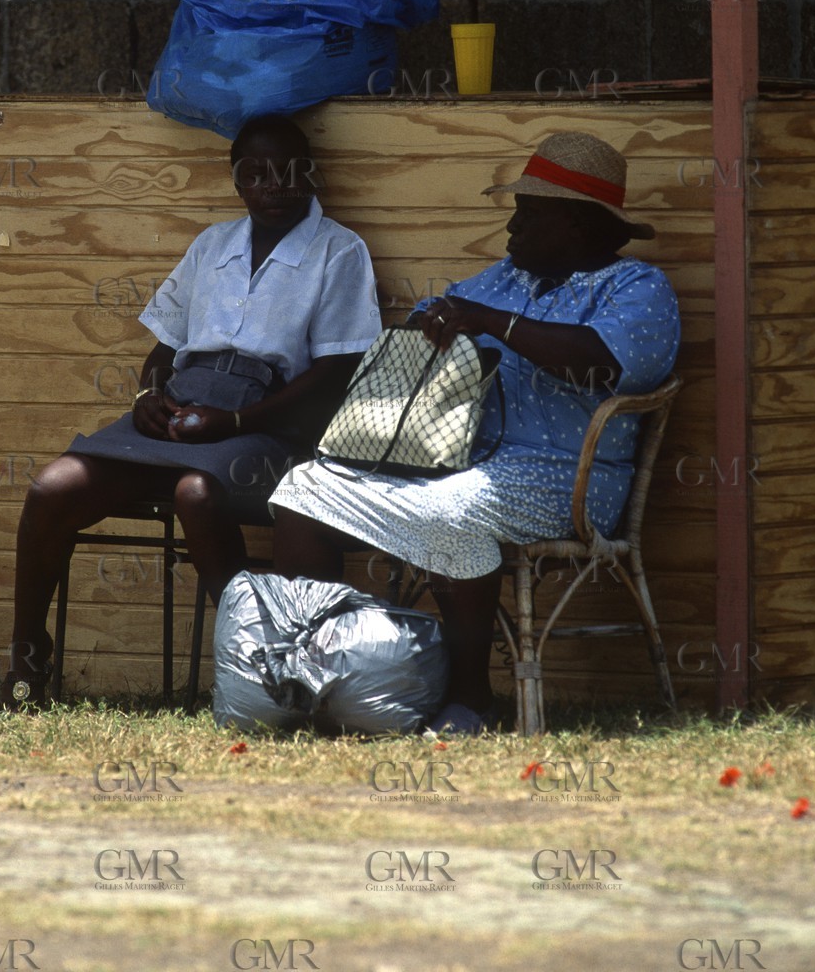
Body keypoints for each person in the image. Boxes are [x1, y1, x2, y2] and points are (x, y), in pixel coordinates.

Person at [270, 130, 681, 735]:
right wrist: (434, 322)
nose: (512, 232)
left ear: (580, 225)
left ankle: (470, 697)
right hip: (452, 468)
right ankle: (326, 675)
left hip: (567, 479)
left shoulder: (637, 289)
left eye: (529, 215)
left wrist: (493, 324)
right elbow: (433, 317)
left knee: (449, 513)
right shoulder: (505, 278)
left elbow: (601, 361)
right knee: (302, 490)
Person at [1, 112, 382, 708]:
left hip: (269, 421)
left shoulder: (338, 250)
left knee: (195, 493)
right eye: (255, 175)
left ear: (310, 176)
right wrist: (146, 398)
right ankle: (27, 661)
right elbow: (164, 349)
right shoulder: (213, 244)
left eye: (288, 172)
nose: (273, 185)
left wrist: (233, 423)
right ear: (237, 184)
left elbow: (333, 374)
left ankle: (254, 666)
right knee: (53, 489)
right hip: (184, 408)